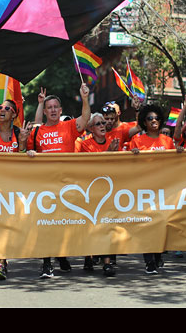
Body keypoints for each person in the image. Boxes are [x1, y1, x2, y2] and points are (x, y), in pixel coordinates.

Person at [26, 83, 91, 278]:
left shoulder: (69, 126)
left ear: (60, 110)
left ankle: (62, 255)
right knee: (46, 224)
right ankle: (47, 264)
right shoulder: (37, 131)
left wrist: (85, 98)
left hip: (67, 184)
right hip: (45, 185)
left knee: (65, 223)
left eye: (56, 107)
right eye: (49, 107)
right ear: (45, 111)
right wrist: (28, 152)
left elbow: (86, 119)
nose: (53, 110)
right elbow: (27, 150)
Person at [0, 98, 33, 280]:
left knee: (7, 224)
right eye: (0, 107)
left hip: (13, 186)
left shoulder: (19, 132)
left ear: (14, 114)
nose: (2, 110)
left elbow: (23, 158)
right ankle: (1, 260)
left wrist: (24, 144)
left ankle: (1, 259)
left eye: (7, 108)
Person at [129, 104, 183, 274]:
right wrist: (133, 155)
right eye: (150, 118)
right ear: (144, 122)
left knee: (161, 224)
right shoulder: (136, 141)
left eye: (157, 118)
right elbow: (127, 165)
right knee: (147, 224)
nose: (154, 121)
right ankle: (149, 261)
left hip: (163, 189)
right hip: (144, 189)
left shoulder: (167, 141)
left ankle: (158, 254)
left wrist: (180, 153)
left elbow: (175, 163)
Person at [73, 112, 119, 277]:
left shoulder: (113, 143)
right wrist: (109, 153)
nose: (102, 126)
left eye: (103, 123)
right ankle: (89, 256)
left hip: (108, 191)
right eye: (98, 124)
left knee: (107, 226)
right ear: (91, 129)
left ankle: (107, 263)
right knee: (90, 226)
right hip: (90, 192)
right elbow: (90, 166)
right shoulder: (85, 145)